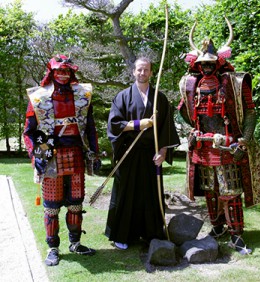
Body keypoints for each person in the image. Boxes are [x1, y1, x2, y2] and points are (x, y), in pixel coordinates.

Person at [178, 18, 260, 255]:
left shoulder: (235, 83)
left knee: (230, 191)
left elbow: (250, 112)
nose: (207, 67)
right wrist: (191, 132)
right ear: (198, 65)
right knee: (210, 190)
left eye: (211, 63)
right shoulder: (192, 85)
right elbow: (183, 111)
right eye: (203, 64)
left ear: (219, 62)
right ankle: (218, 227)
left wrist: (245, 140)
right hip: (202, 147)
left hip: (228, 147)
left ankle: (237, 235)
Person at [23, 54, 101, 266]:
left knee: (75, 204)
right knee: (52, 206)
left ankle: (75, 244)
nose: (63, 75)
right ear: (52, 72)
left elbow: (90, 127)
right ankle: (53, 248)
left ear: (71, 72)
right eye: (59, 71)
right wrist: (37, 156)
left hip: (76, 153)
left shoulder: (83, 95)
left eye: (67, 71)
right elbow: (29, 132)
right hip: (50, 153)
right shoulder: (38, 97)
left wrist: (94, 152)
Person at [105, 57, 180, 250]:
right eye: (139, 69)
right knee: (125, 194)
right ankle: (122, 235)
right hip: (128, 154)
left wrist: (162, 152)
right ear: (133, 72)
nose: (142, 73)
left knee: (151, 195)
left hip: (151, 156)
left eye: (146, 70)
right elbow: (114, 124)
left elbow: (166, 130)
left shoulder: (160, 99)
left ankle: (151, 234)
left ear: (151, 73)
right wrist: (140, 124)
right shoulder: (123, 96)